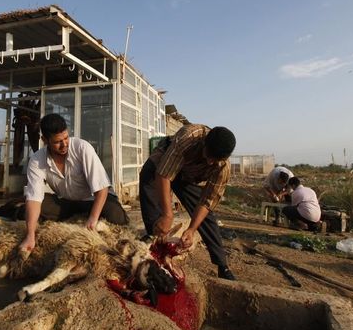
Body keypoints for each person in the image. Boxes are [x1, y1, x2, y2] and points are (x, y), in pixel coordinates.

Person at [138, 124, 237, 280]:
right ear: (204, 143)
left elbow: (207, 201)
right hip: (165, 161)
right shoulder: (189, 137)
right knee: (147, 176)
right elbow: (164, 174)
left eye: (215, 160)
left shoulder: (222, 167)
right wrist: (167, 215)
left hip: (188, 176)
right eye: (209, 156)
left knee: (206, 216)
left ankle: (222, 266)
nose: (211, 162)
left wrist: (191, 229)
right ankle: (155, 239)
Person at [18, 113, 128, 253]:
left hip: (93, 199)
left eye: (66, 138)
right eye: (58, 142)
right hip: (67, 202)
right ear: (44, 140)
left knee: (115, 214)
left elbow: (102, 189)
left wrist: (93, 219)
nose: (64, 145)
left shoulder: (82, 148)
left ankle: (92, 216)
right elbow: (34, 198)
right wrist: (30, 235)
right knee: (31, 209)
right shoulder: (36, 160)